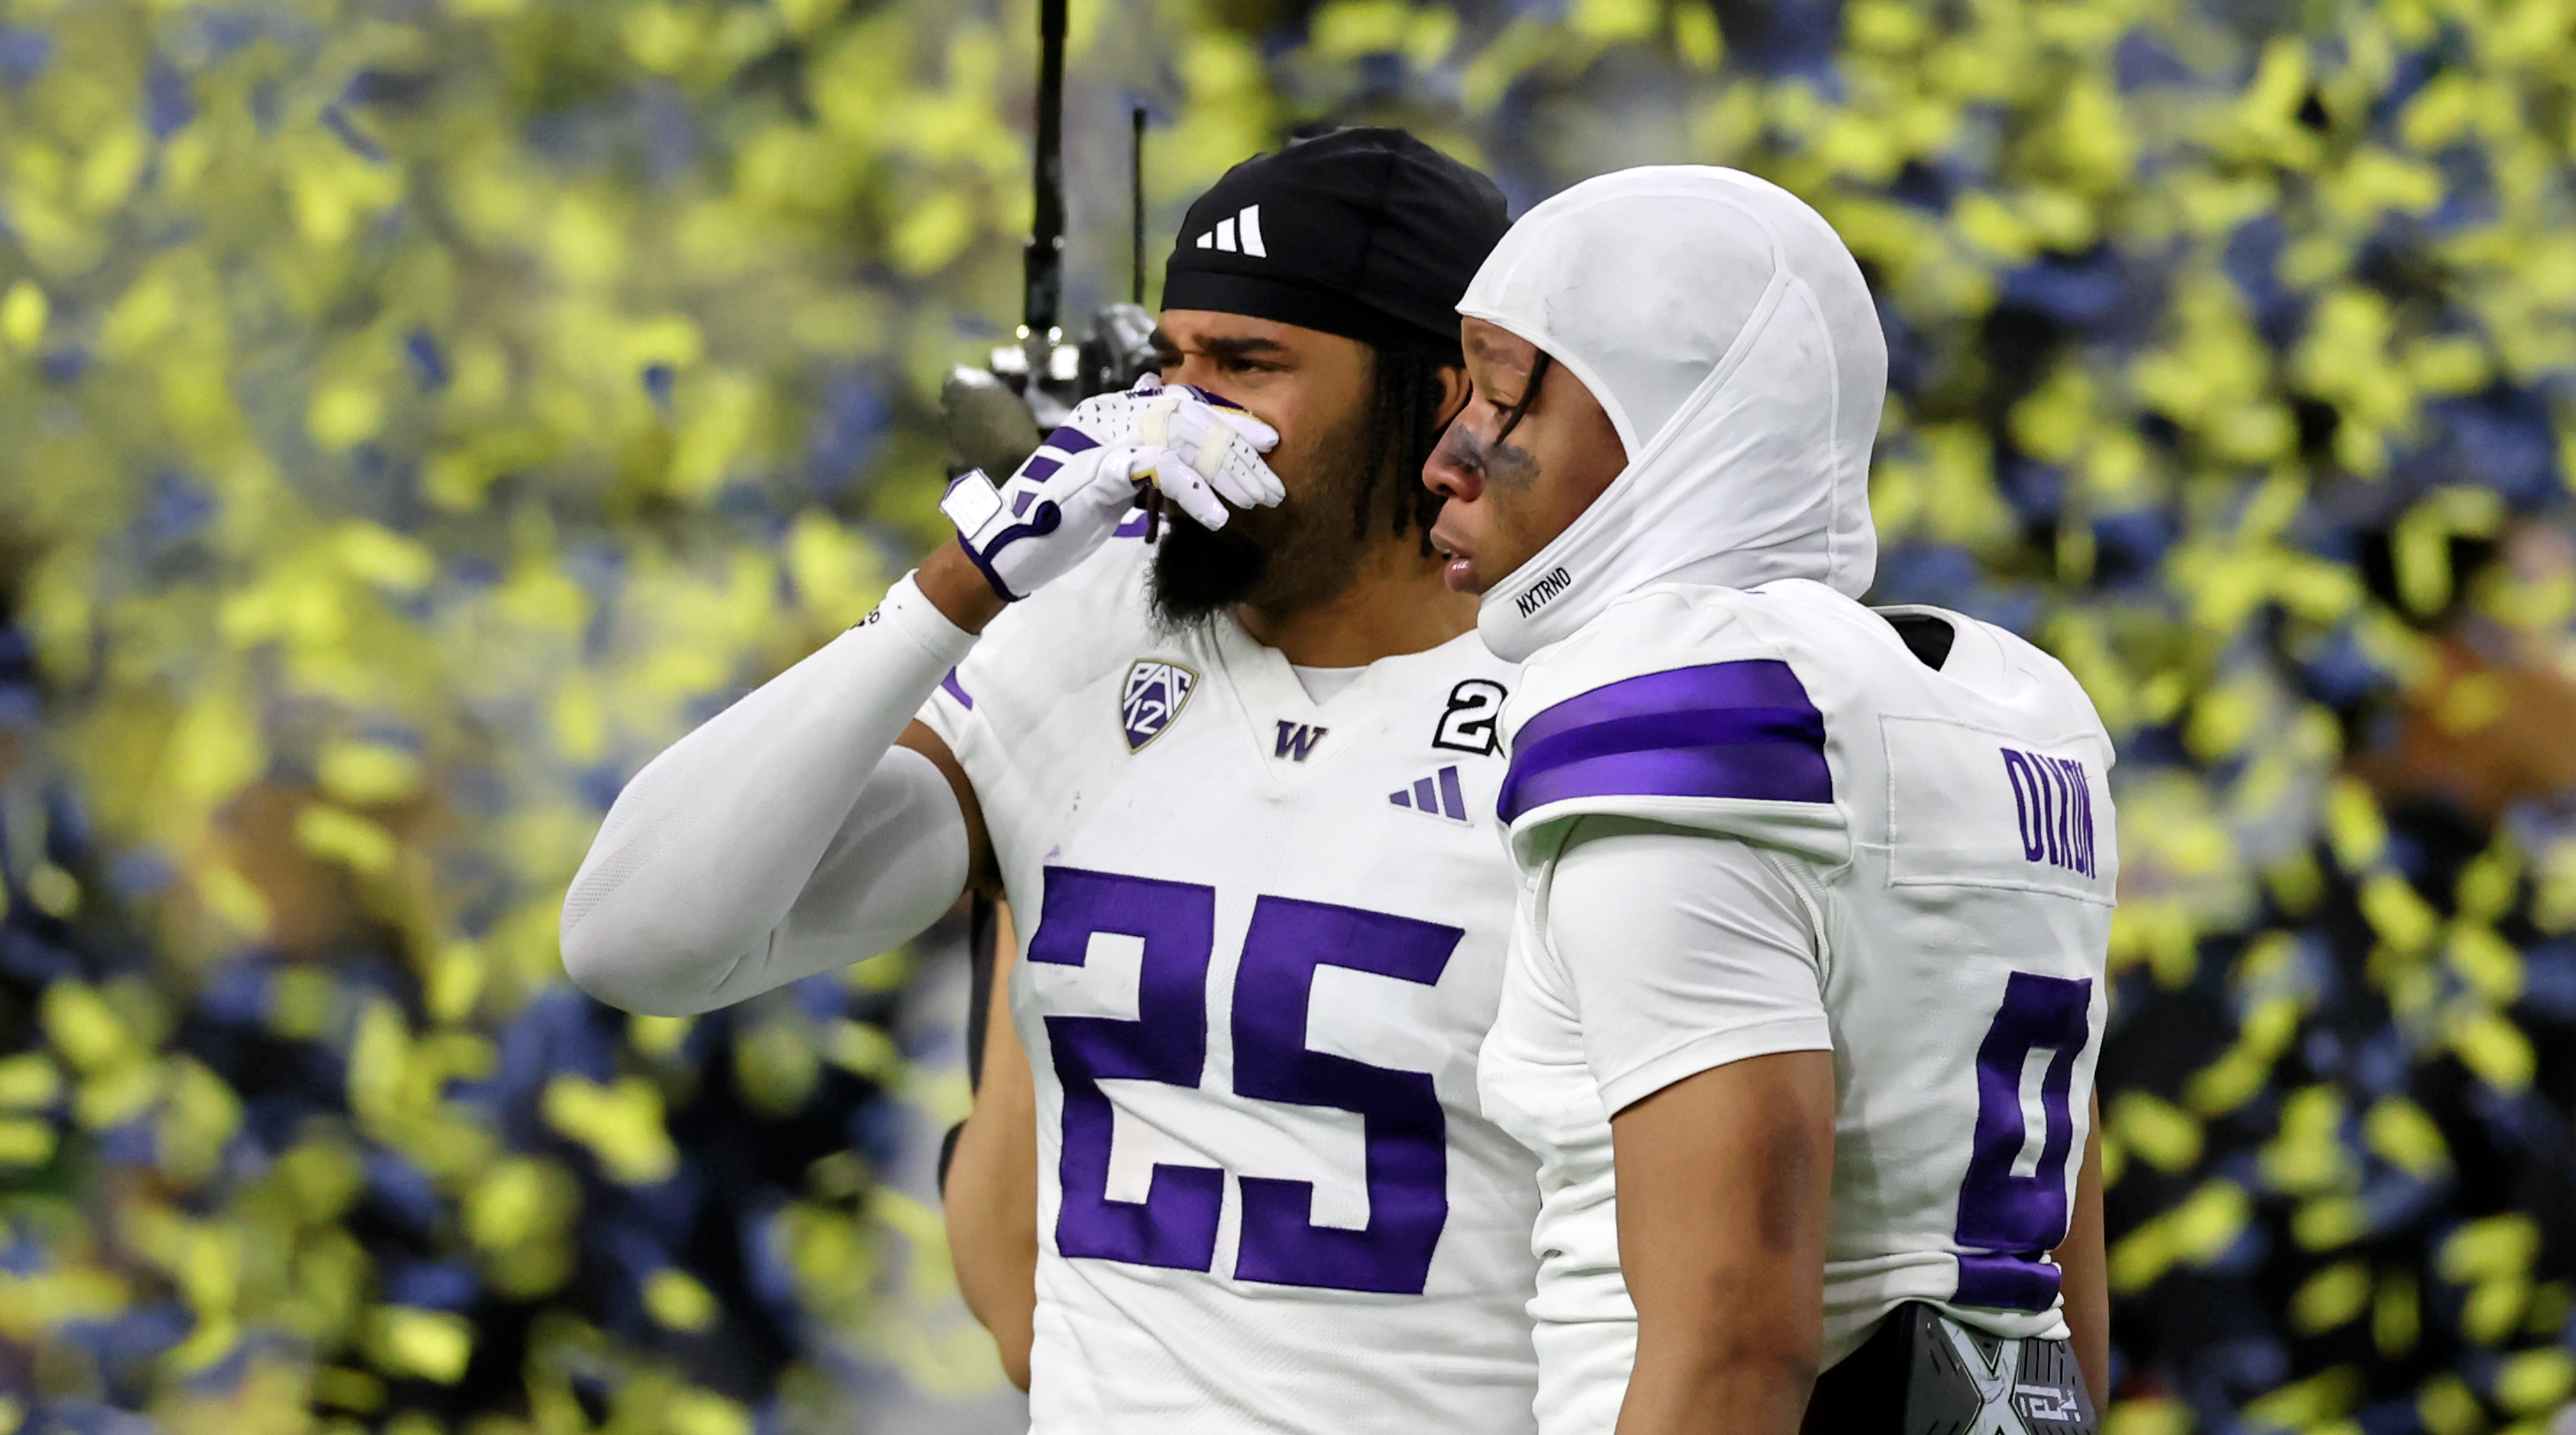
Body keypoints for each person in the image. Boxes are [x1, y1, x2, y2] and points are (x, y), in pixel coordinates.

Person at [559, 127, 1545, 1433]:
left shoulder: (1584, 693)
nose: (1180, 417)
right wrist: (959, 586)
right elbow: (635, 940)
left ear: (1439, 399)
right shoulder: (1079, 642)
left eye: (1249, 364)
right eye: (1168, 365)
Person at [1419, 166, 2114, 1434]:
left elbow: (1736, 1341)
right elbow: (2059, 1300)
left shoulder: (1691, 706)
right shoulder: (2014, 706)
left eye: (1503, 389)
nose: (1447, 455)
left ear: (1671, 417)